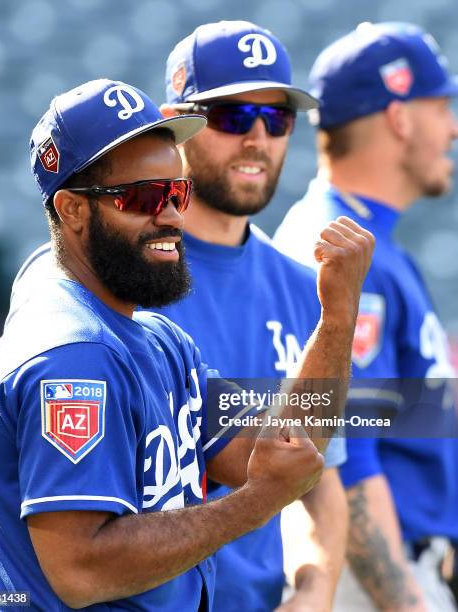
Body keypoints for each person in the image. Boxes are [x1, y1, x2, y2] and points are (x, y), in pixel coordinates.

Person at [0, 78, 373, 610]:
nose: (172, 215)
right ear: (70, 210)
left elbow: (281, 451)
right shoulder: (71, 352)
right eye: (142, 197)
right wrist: (252, 505)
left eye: (177, 191)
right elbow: (81, 569)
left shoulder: (160, 339)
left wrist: (338, 317)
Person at [155, 20, 349, 611]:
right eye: (233, 116)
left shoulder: (303, 287)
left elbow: (321, 476)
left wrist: (314, 591)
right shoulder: (118, 272)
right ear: (175, 123)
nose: (257, 139)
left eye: (277, 119)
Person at [274, 22, 458, 612]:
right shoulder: (338, 243)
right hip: (372, 579)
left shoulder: (363, 235)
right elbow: (343, 452)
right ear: (400, 117)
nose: (452, 128)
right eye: (441, 107)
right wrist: (408, 600)